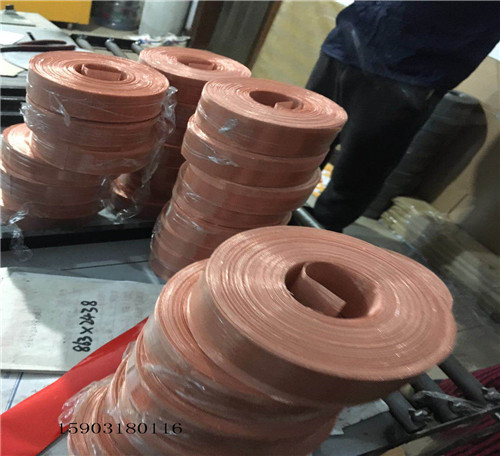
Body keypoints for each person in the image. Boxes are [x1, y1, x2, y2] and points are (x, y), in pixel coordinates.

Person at [307, 1, 500, 232]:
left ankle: (316, 237)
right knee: (299, 146)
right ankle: (275, 216)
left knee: (356, 173)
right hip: (349, 39)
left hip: (412, 67)